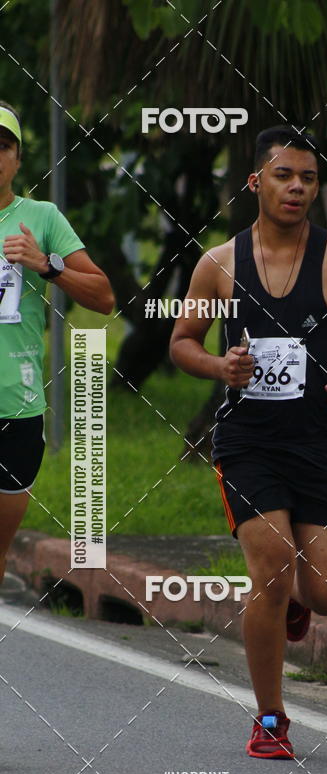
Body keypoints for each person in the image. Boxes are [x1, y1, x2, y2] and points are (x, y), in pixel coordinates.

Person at [170, 125, 327, 759]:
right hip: (248, 443)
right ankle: (270, 719)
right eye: (284, 175)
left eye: (309, 178)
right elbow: (181, 343)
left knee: (324, 593)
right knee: (269, 567)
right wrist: (219, 368)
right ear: (255, 181)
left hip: (319, 442)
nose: (297, 187)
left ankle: (298, 599)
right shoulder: (219, 263)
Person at [0, 100, 115, 583]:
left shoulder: (41, 218)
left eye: (2, 146)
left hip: (17, 407)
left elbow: (104, 296)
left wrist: (47, 265)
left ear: (18, 158)